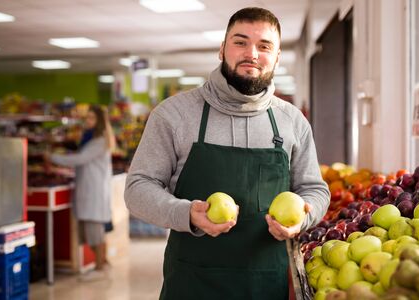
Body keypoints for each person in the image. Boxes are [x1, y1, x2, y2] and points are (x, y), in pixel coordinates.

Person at [124, 7, 330, 300]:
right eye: (240, 42)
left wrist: (303, 220)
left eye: (264, 46)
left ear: (277, 56)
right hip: (192, 281)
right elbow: (137, 188)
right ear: (222, 49)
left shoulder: (292, 121)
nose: (252, 54)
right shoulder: (174, 114)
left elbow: (314, 190)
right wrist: (187, 214)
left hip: (266, 283)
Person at [47, 105, 115, 281]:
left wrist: (53, 157)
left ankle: (100, 268)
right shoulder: (92, 139)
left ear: (99, 121)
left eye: (92, 118)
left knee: (94, 232)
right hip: (90, 189)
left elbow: (80, 159)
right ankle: (103, 264)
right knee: (94, 231)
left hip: (94, 191)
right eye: (87, 117)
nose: (88, 121)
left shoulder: (99, 141)